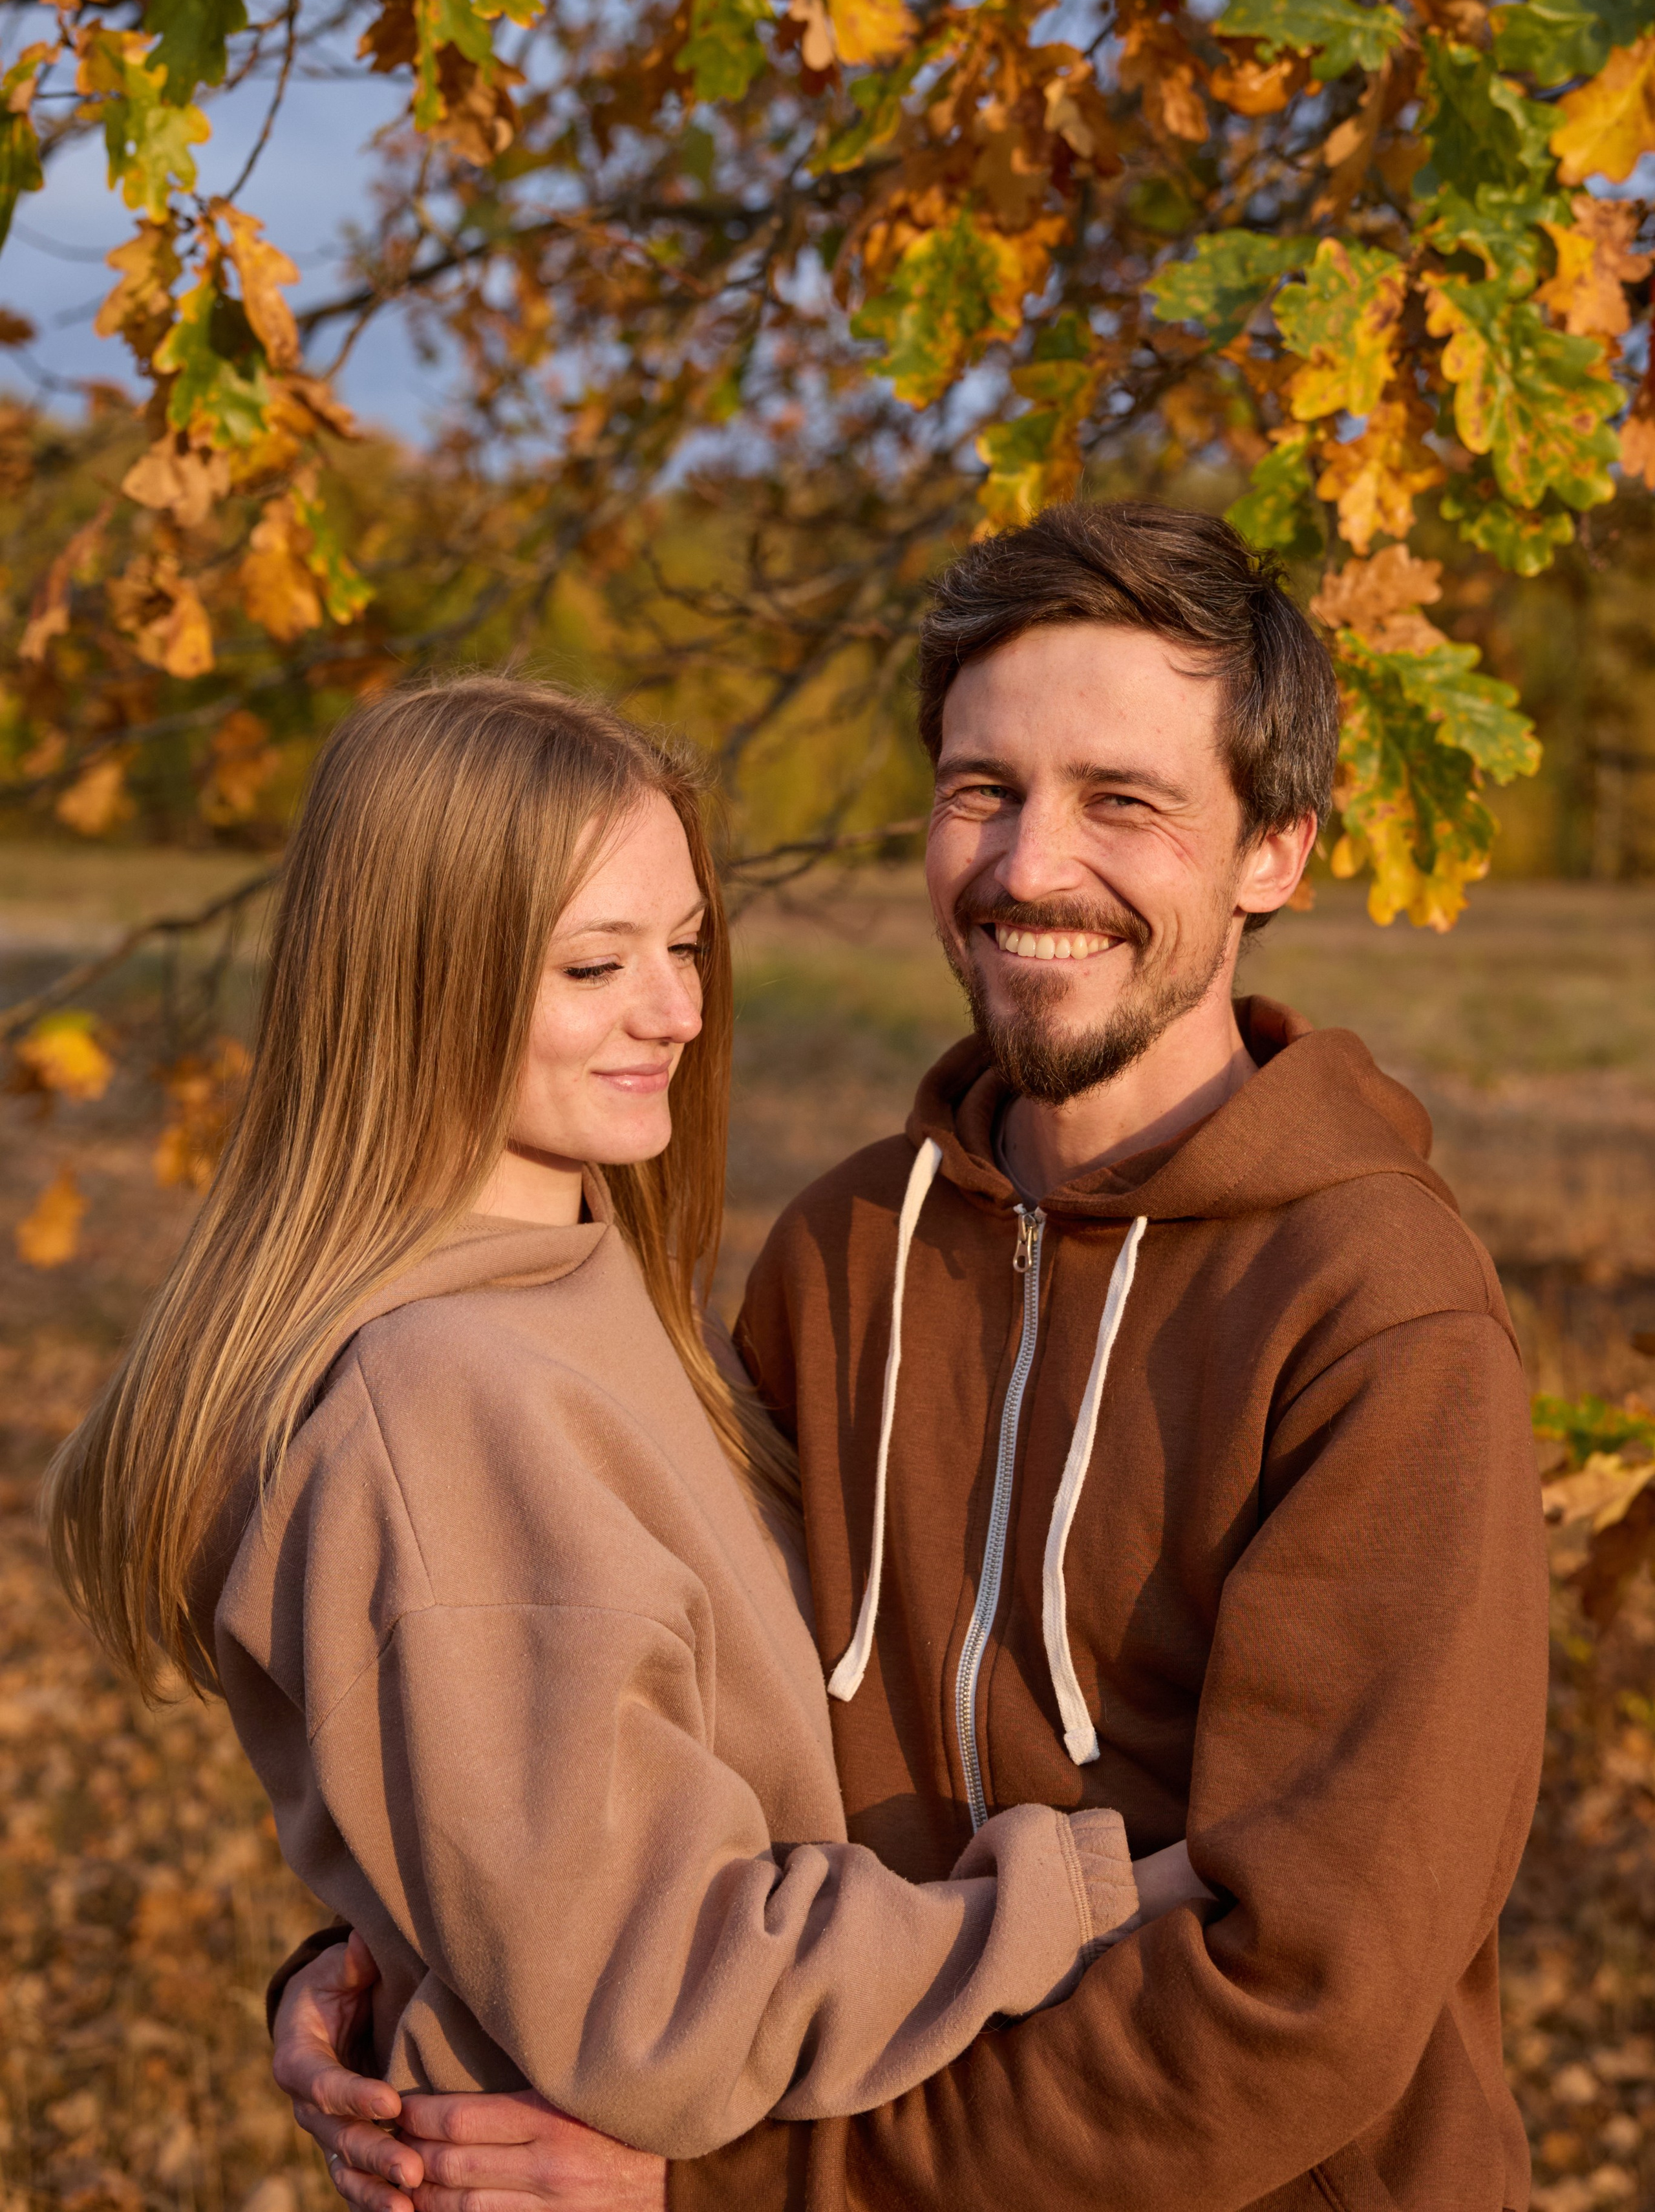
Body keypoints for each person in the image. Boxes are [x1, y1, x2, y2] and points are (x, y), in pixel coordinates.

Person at [274, 505, 1550, 2212]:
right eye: (983, 790)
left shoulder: (1377, 1317)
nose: (1030, 866)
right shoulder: (843, 1252)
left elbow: (1301, 1988)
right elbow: (640, 1728)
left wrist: (728, 2190)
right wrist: (392, 1965)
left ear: (1277, 853)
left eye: (1123, 801)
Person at [46, 677, 1219, 2162]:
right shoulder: (451, 1399)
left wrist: (391, 1955)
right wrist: (1104, 1896)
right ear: (418, 982)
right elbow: (662, 2006)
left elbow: (540, 1865)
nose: (674, 1013)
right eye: (594, 966)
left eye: (683, 948)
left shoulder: (589, 1295)